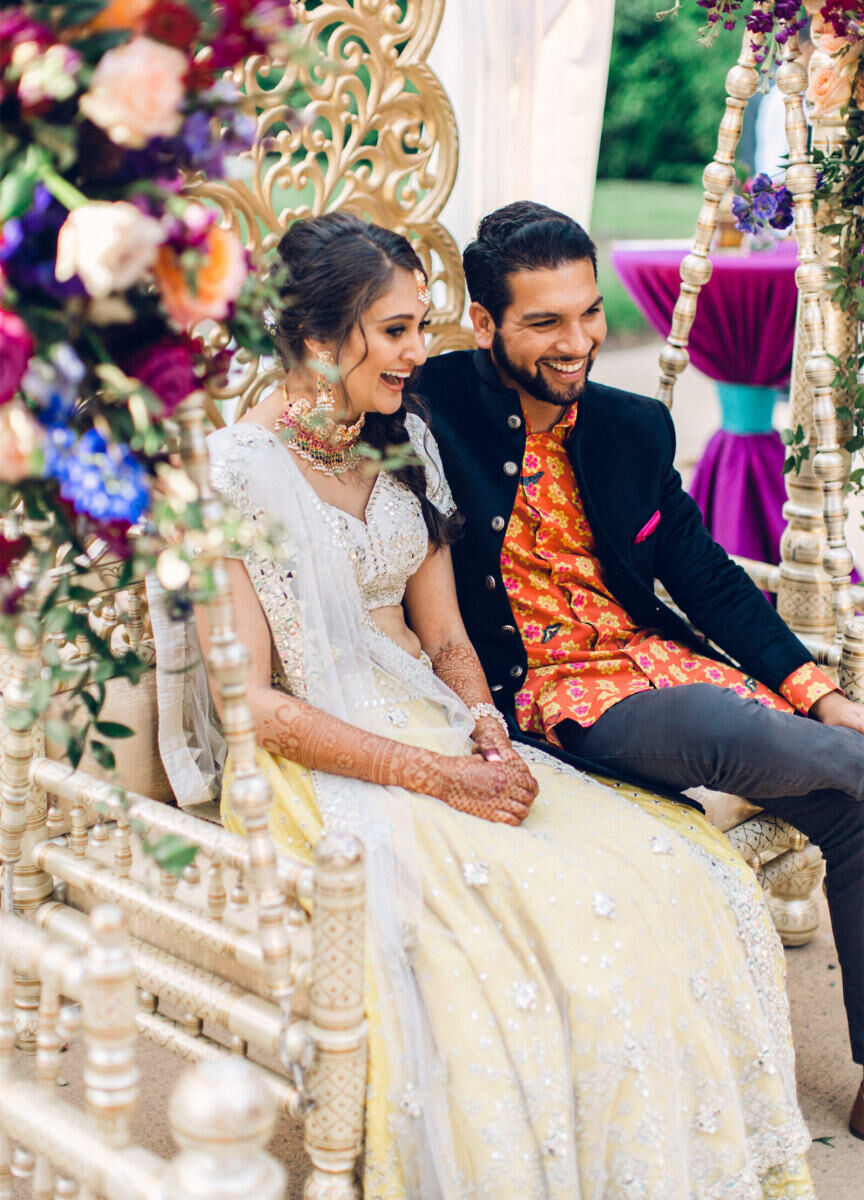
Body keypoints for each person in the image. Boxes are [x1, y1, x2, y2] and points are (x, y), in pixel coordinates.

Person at [160, 212, 815, 1197]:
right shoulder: (234, 474)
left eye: (423, 326)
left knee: (682, 881)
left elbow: (450, 639)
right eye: (394, 332)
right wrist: (440, 777)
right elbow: (253, 705)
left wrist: (483, 730)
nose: (420, 354)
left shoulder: (404, 436)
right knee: (532, 943)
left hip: (441, 726)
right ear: (310, 340)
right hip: (322, 762)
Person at [417, 200, 864, 1141]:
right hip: (545, 694)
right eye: (543, 322)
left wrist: (817, 691)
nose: (577, 341)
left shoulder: (630, 427)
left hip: (646, 656)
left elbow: (704, 575)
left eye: (588, 312)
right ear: (482, 322)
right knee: (727, 728)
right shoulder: (427, 403)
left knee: (850, 804)